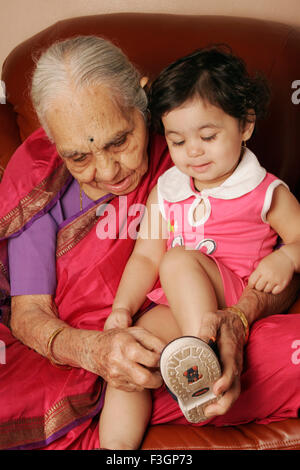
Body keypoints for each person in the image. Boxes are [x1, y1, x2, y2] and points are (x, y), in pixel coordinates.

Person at [0, 37, 299, 451]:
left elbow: (281, 264)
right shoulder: (37, 179)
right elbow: (28, 314)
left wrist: (240, 319)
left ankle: (205, 367)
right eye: (79, 157)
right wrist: (102, 347)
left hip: (220, 324)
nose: (107, 170)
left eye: (119, 141)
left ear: (143, 103)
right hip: (105, 355)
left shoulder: (191, 149)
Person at [100, 46, 300, 449]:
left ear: (245, 125)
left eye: (208, 136)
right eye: (177, 141)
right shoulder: (167, 190)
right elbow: (144, 255)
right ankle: (115, 452)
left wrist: (287, 255)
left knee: (177, 260)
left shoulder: (264, 191)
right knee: (130, 359)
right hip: (175, 303)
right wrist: (121, 309)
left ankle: (205, 359)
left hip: (236, 294)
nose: (193, 151)